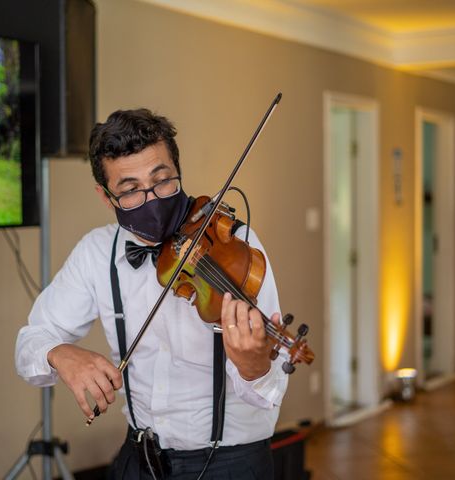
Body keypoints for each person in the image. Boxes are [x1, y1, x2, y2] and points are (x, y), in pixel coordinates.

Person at [15, 109, 289, 479]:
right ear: (105, 195)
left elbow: (268, 394)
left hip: (231, 462)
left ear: (178, 170)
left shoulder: (234, 246)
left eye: (162, 181)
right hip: (141, 459)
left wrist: (254, 365)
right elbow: (29, 342)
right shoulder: (98, 252)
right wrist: (59, 353)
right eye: (129, 191)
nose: (152, 198)